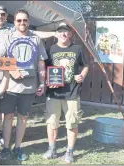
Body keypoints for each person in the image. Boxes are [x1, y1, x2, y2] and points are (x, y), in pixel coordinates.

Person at [0, 5, 56, 146]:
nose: (0, 16)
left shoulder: (12, 28)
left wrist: (55, 33)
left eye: (3, 14)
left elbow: (34, 35)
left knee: (6, 111)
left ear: (7, 16)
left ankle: (2, 136)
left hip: (10, 78)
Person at [0, 9, 48, 161]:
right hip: (10, 86)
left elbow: (40, 62)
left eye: (24, 20)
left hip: (28, 86)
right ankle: (5, 147)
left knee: (23, 118)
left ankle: (17, 147)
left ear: (29, 22)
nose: (22, 23)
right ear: (14, 22)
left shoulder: (36, 39)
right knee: (8, 117)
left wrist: (43, 82)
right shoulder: (8, 37)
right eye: (19, 20)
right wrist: (12, 71)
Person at [43, 22, 88, 164]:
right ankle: (52, 148)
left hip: (72, 92)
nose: (63, 34)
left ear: (70, 34)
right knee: (51, 122)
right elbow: (43, 69)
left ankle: (69, 151)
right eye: (60, 31)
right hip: (53, 93)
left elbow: (85, 65)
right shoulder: (49, 50)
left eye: (65, 31)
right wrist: (46, 80)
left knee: (72, 123)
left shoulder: (77, 49)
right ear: (56, 34)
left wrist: (82, 75)